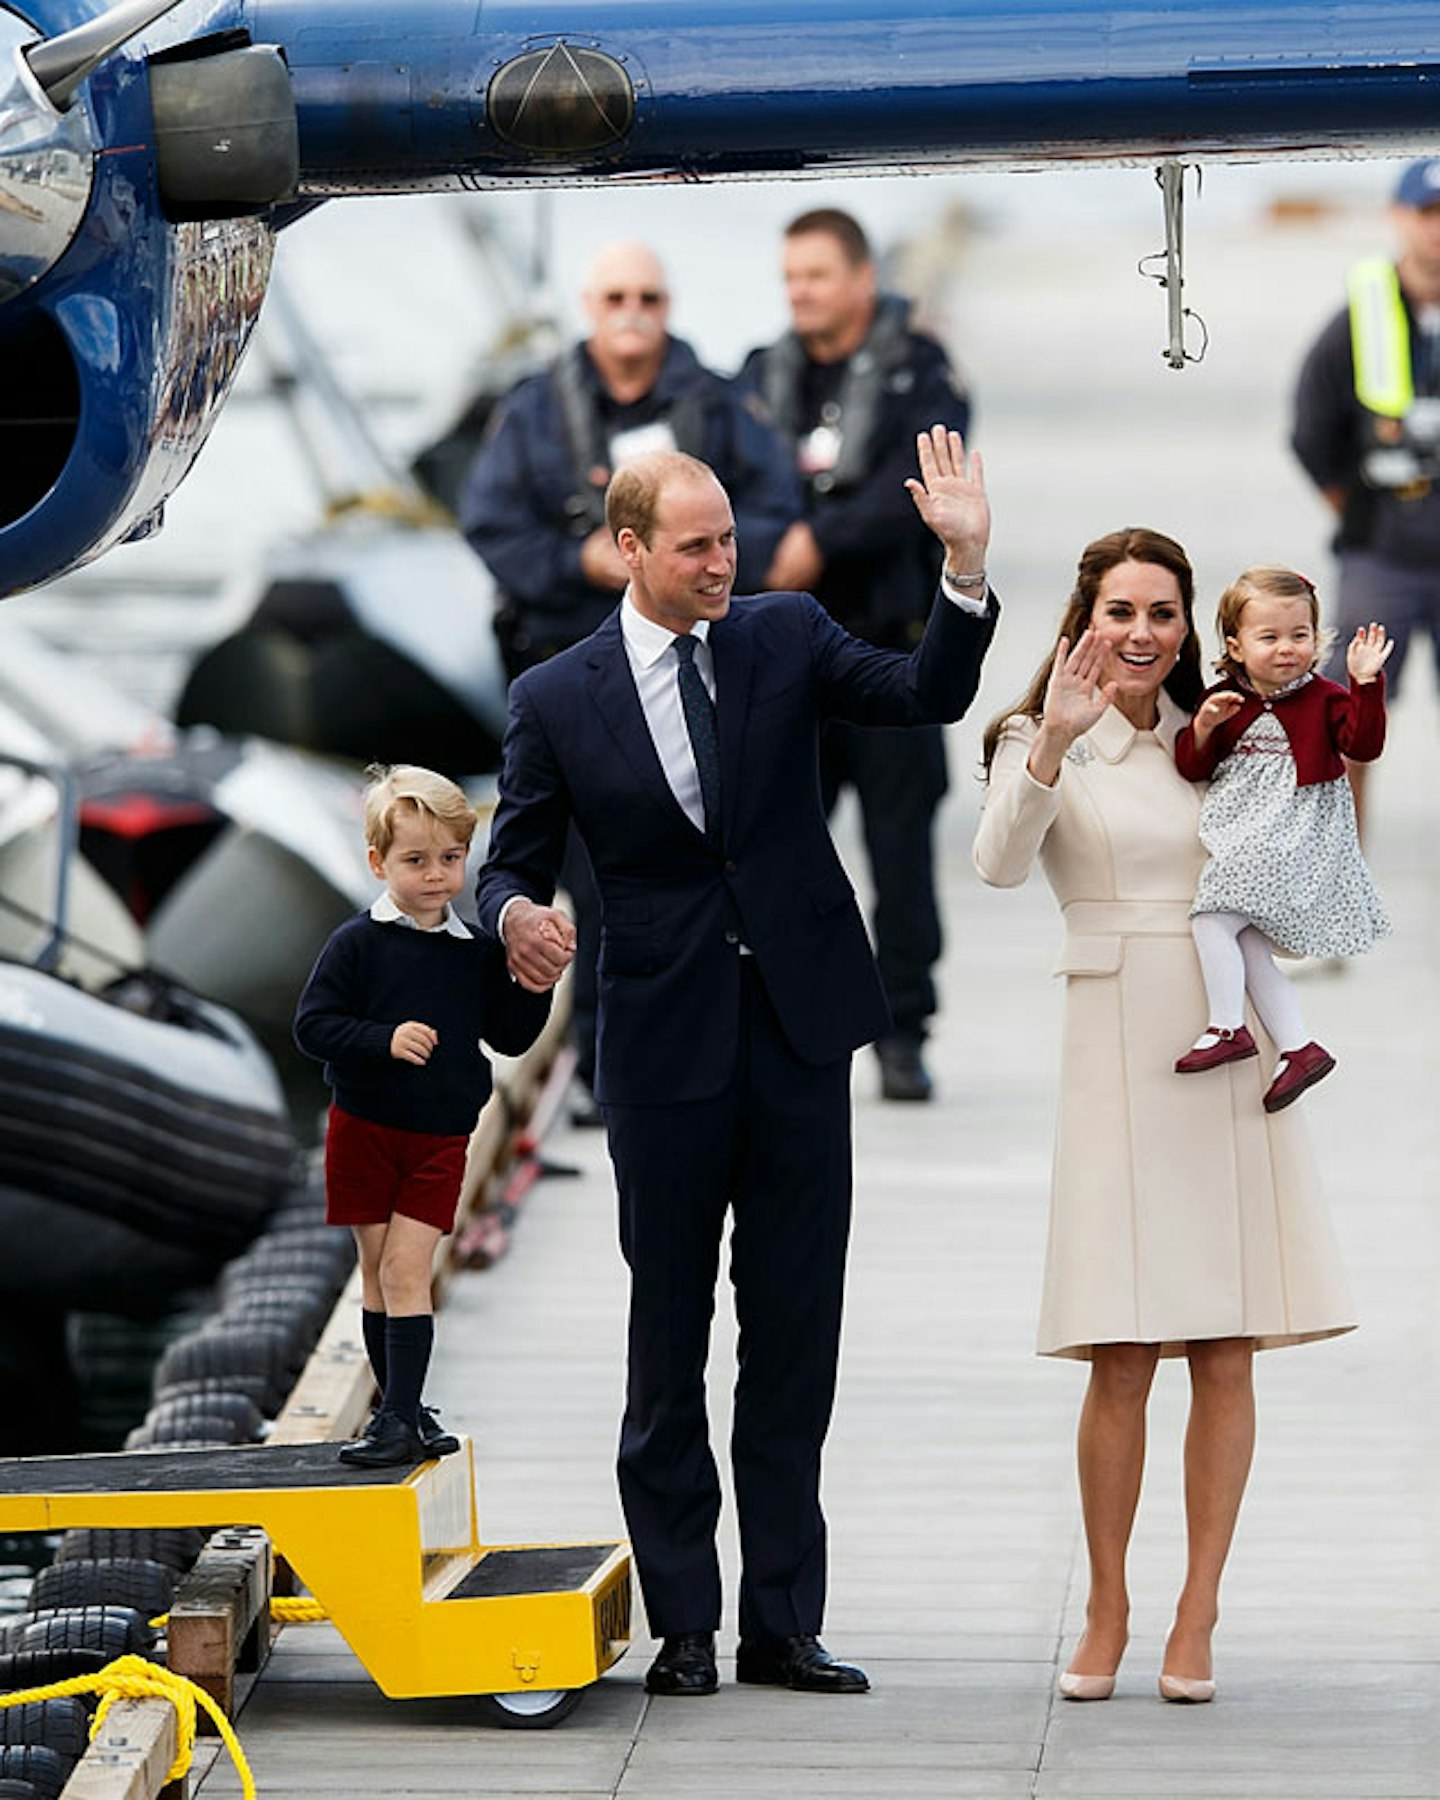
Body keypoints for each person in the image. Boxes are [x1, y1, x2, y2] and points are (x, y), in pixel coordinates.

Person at [474, 434, 998, 1697]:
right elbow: (511, 859)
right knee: (667, 1343)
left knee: (794, 1338)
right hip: (660, 1047)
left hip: (802, 1030)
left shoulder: (786, 632)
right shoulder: (555, 696)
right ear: (631, 550)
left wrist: (965, 569)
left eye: (730, 541)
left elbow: (925, 691)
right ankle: (687, 1624)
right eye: (699, 545)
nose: (727, 562)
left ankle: (782, 1622)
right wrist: (512, 919)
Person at [972, 531, 1354, 1705]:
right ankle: (1107, 1604)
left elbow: (1284, 905)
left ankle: (1199, 1611)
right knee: (1122, 1350)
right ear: (1084, 616)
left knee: (1226, 1345)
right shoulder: (1034, 735)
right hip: (1113, 1041)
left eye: (1164, 613)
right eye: (1121, 609)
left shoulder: (1226, 738)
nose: (1142, 633)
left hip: (1224, 1041)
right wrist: (1056, 746)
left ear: (1192, 628)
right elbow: (995, 866)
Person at [460, 242, 801, 1125]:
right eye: (615, 294)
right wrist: (578, 562)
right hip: (575, 674)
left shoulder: (719, 405)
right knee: (585, 876)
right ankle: (602, 1056)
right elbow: (490, 522)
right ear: (588, 304)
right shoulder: (535, 411)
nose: (632, 311)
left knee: (702, 869)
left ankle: (736, 1040)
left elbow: (769, 508)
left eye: (649, 294)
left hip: (695, 671)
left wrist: (695, 567)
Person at [739, 208, 973, 1101]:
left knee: (899, 855)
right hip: (783, 662)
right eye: (790, 276)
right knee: (774, 854)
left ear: (862, 278)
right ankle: (786, 1022)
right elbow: (725, 477)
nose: (801, 292)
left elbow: (918, 490)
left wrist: (820, 541)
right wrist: (783, 541)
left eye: (818, 275)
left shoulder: (921, 370)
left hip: (888, 655)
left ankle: (904, 1030)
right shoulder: (761, 375)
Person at [294, 764, 551, 1467]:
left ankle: (402, 1415)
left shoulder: (475, 953)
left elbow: (511, 1037)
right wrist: (382, 1039)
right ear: (378, 862)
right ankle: (397, 1410)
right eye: (415, 860)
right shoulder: (356, 943)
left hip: (439, 1135)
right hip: (364, 1129)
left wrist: (536, 984)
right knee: (377, 1273)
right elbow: (313, 1025)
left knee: (409, 1270)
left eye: (450, 858)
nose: (436, 876)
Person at [1172, 566, 1391, 1110]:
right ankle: (1297, 1046)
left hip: (1294, 837)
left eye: (1301, 635)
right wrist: (1201, 727)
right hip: (1247, 834)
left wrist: (1365, 684)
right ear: (1236, 645)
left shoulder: (1326, 698)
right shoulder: (1225, 698)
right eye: (1269, 637)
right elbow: (1192, 765)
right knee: (1247, 941)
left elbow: (1364, 745)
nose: (1288, 648)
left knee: (1211, 916)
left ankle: (1227, 1027)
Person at [1291, 155, 1440, 841]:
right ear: (1397, 217)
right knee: (1349, 721)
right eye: (1427, 214)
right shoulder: (1359, 319)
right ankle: (1335, 896)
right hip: (1385, 552)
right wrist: (1359, 514)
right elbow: (1312, 434)